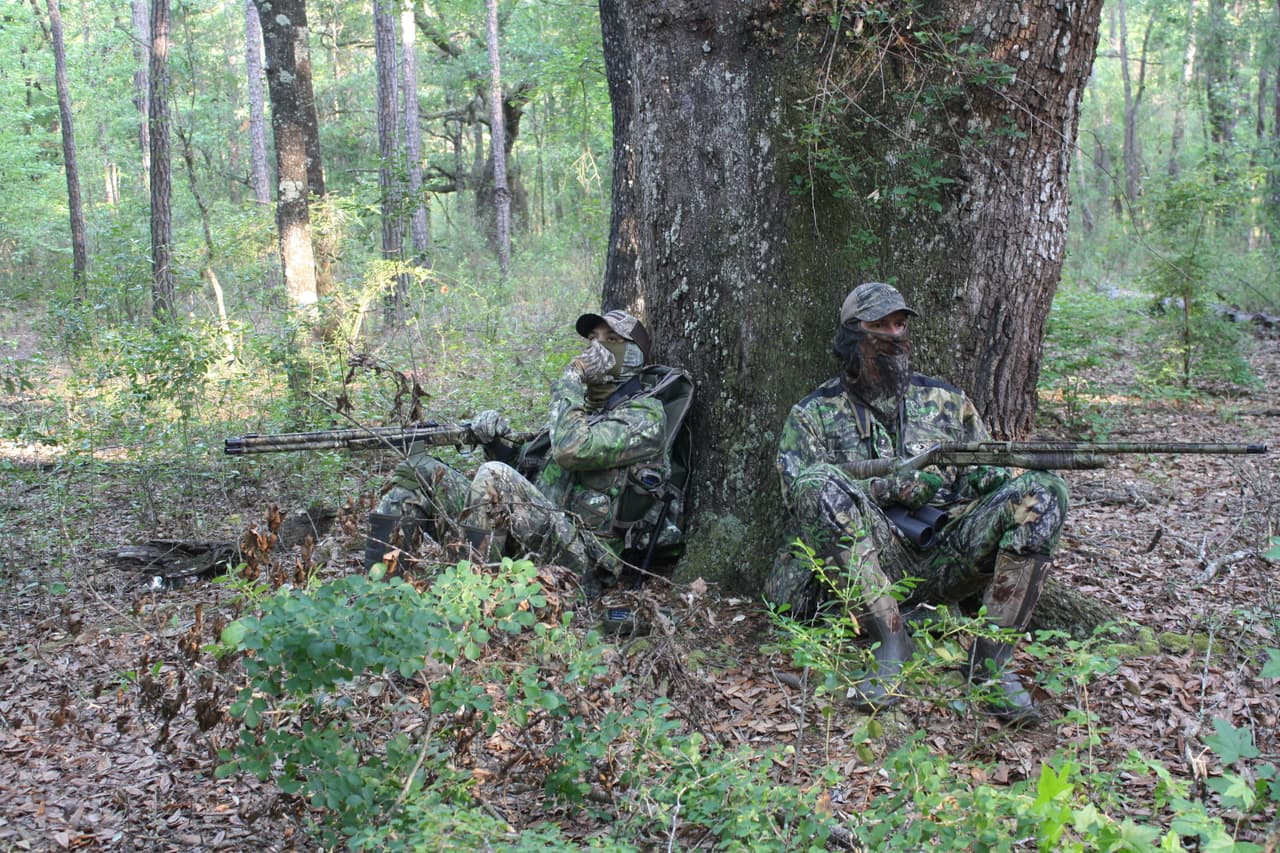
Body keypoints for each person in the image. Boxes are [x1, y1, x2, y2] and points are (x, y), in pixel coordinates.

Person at [769, 282, 1069, 725]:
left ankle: (990, 663)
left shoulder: (946, 402)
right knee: (817, 482)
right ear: (853, 333)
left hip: (947, 551)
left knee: (1044, 492)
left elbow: (986, 472)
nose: (895, 334)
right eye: (881, 326)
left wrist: (975, 474)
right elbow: (798, 493)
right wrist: (891, 490)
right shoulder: (813, 414)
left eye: (900, 324)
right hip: (866, 565)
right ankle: (891, 640)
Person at [364, 309, 691, 601]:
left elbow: (571, 451)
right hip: (541, 534)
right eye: (592, 339)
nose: (596, 348)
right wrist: (493, 441)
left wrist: (571, 378)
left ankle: (464, 604)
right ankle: (377, 597)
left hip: (585, 563)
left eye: (611, 340)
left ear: (632, 354)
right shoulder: (587, 411)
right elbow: (531, 476)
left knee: (494, 475)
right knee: (417, 469)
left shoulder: (644, 416)